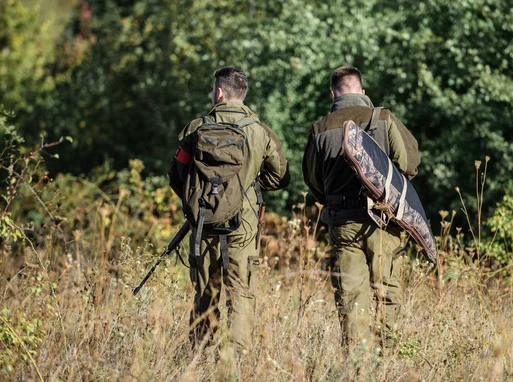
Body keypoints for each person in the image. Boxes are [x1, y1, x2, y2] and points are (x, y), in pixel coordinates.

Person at [168, 67, 289, 355]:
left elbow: (175, 174)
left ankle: (200, 356)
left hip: (203, 223)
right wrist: (248, 187)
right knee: (240, 293)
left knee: (205, 294)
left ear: (218, 93)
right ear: (241, 94)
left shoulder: (195, 128)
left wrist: (199, 202)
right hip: (242, 227)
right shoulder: (260, 132)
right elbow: (280, 176)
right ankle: (233, 361)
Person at [302, 66, 420, 350]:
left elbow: (313, 181)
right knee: (387, 289)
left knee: (351, 295)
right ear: (362, 91)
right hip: (382, 220)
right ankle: (389, 353)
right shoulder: (383, 118)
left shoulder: (320, 129)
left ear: (334, 94)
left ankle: (358, 363)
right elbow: (409, 164)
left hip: (343, 222)